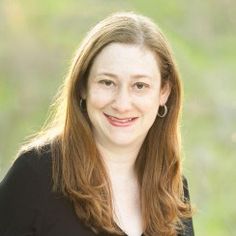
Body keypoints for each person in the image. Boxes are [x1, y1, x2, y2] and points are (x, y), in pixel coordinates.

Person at [0, 12, 194, 236]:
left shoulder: (173, 188)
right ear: (83, 86)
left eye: (139, 85)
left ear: (164, 93)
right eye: (107, 82)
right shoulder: (37, 174)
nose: (122, 104)